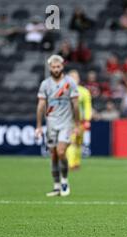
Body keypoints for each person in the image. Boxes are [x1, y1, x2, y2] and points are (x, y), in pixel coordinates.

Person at [35, 55, 80, 197]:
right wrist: (38, 126)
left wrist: (77, 124)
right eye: (53, 67)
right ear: (50, 68)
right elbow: (41, 105)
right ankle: (56, 186)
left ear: (62, 66)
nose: (56, 69)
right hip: (51, 124)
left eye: (58, 66)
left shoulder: (70, 83)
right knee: (53, 155)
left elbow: (76, 105)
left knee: (61, 151)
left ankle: (65, 181)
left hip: (66, 123)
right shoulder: (45, 84)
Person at [66, 70, 93, 170]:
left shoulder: (84, 91)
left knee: (78, 142)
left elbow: (87, 106)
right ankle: (70, 164)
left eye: (75, 77)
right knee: (71, 141)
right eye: (72, 77)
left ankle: (76, 163)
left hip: (81, 121)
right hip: (69, 121)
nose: (74, 79)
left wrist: (87, 120)